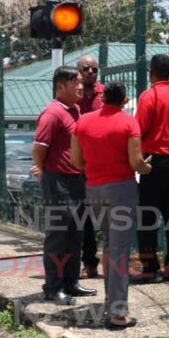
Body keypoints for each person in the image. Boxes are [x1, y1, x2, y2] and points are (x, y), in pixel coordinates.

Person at [70, 82, 153, 329]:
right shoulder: (128, 123)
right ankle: (117, 312)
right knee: (119, 249)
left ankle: (110, 301)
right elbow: (136, 162)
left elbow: (76, 160)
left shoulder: (83, 121)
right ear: (125, 100)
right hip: (122, 190)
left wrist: (95, 169)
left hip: (93, 189)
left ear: (103, 97)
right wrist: (147, 168)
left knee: (109, 243)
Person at [30, 67, 96, 305]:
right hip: (58, 182)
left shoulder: (75, 110)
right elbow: (38, 148)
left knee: (74, 236)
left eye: (81, 82)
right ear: (60, 86)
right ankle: (53, 287)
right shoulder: (52, 113)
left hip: (77, 182)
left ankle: (70, 282)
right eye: (76, 82)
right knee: (58, 236)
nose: (81, 86)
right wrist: (45, 172)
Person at [134, 54, 169, 284]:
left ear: (151, 73)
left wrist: (138, 160)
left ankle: (150, 268)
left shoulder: (149, 96)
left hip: (156, 159)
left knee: (147, 215)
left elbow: (138, 130)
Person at [76, 54, 104, 279]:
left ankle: (112, 261)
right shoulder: (73, 94)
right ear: (79, 71)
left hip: (101, 162)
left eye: (94, 69)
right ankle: (90, 263)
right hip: (79, 164)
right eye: (86, 68)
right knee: (83, 217)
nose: (91, 72)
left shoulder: (104, 94)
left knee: (106, 214)